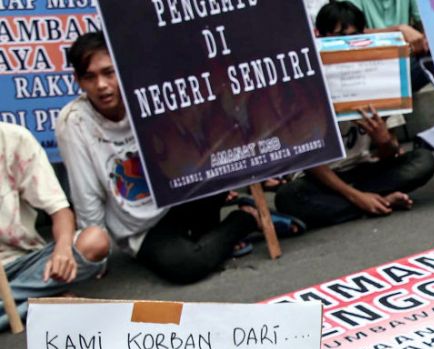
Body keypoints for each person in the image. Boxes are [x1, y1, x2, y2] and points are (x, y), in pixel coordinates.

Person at [56, 33, 297, 285]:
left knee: (217, 155)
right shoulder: (73, 121)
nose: (102, 85)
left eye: (109, 72)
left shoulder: (147, 95)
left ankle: (214, 235)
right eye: (90, 77)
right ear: (78, 81)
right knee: (187, 266)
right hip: (141, 227)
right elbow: (86, 193)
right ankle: (246, 219)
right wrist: (97, 252)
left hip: (179, 197)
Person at [274, 4, 434, 227]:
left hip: (364, 170)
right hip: (324, 179)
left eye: (354, 37)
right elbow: (311, 162)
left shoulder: (376, 79)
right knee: (289, 196)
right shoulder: (307, 86)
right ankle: (372, 202)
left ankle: (355, 204)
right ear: (320, 37)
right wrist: (358, 198)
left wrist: (384, 141)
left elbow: (389, 153)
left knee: (423, 161)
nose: (348, 44)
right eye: (340, 37)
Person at [0, 122, 110, 332]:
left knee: (94, 241)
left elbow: (60, 211)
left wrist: (63, 249)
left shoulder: (14, 138)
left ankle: (26, 303)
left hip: (20, 263)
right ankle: (39, 302)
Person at [342, 0, 432, 91]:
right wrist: (398, 30)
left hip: (405, 59)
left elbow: (426, 22)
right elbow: (351, 34)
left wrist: (424, 41)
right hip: (367, 63)